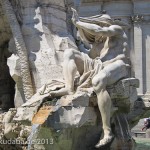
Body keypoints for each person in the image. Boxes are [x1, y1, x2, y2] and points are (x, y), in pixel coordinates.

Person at [50, 8, 129, 148]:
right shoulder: (98, 45)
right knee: (69, 53)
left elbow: (99, 30)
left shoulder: (117, 30)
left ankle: (107, 130)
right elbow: (89, 55)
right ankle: (69, 88)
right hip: (99, 65)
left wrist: (78, 23)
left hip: (119, 65)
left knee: (98, 81)